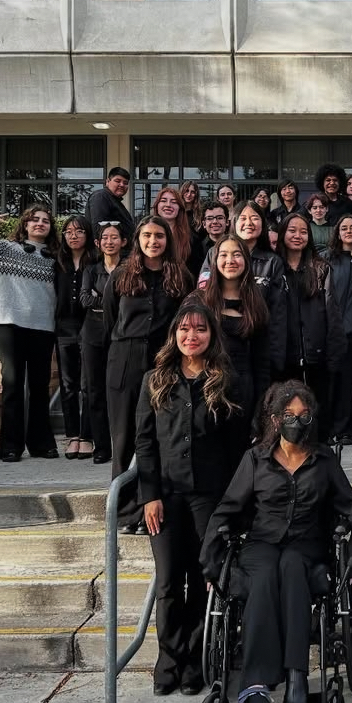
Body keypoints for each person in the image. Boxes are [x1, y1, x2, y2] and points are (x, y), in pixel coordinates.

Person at [203, 381, 352, 703]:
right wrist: (211, 563)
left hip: (307, 544)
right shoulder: (256, 459)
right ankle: (255, 683)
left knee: (292, 568)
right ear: (275, 419)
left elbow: (351, 508)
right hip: (261, 542)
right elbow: (227, 509)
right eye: (289, 415)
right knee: (262, 576)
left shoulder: (323, 462)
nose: (297, 422)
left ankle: (297, 677)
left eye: (304, 416)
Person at [135, 301, 239, 697]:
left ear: (211, 336)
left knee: (200, 580)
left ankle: (196, 661)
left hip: (208, 497)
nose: (191, 337)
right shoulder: (155, 380)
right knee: (166, 583)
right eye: (184, 330)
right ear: (174, 335)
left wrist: (231, 505)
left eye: (199, 330)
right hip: (165, 496)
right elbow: (145, 442)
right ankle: (169, 661)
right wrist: (149, 496)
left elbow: (234, 449)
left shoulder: (225, 380)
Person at [104, 217, 193, 534]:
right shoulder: (121, 274)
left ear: (167, 239)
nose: (153, 241)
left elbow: (185, 321)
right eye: (146, 235)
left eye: (159, 236)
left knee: (158, 437)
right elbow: (110, 320)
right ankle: (126, 512)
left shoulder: (180, 276)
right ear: (137, 239)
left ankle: (151, 509)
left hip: (161, 362)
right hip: (125, 361)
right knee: (125, 436)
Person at [0, 207, 60, 463]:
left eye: (45, 220)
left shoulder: (56, 257)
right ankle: (11, 446)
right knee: (12, 385)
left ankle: (41, 444)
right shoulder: (3, 248)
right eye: (35, 219)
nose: (40, 223)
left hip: (43, 327)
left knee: (40, 387)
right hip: (9, 324)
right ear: (25, 224)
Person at [200, 235, 270, 466]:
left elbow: (262, 362)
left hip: (242, 393)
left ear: (247, 262)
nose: (230, 260)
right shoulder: (199, 301)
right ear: (214, 261)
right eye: (224, 254)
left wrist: (260, 408)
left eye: (237, 254)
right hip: (204, 392)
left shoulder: (256, 303)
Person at [198, 201, 288, 374]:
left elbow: (278, 313)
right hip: (220, 345)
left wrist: (276, 357)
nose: (249, 223)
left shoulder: (273, 261)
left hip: (259, 347)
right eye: (243, 218)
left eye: (255, 218)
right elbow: (204, 294)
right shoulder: (214, 254)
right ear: (233, 223)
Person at [275, 213, 345, 415]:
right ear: (282, 234)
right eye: (292, 230)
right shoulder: (275, 267)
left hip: (317, 355)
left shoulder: (320, 268)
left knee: (317, 410)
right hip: (284, 357)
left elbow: (332, 314)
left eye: (304, 231)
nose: (298, 235)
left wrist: (333, 354)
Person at [80, 219, 127, 465]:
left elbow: (130, 302)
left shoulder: (130, 269)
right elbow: (85, 299)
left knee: (119, 390)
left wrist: (103, 300)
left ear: (124, 242)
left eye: (114, 237)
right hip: (92, 335)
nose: (110, 242)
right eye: (105, 238)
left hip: (120, 334)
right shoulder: (91, 269)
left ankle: (121, 445)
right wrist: (112, 303)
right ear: (98, 243)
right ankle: (101, 446)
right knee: (95, 391)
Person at [55, 215, 94, 460]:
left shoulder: (96, 261)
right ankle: (72, 437)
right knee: (68, 385)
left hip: (91, 327)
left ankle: (88, 436)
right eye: (68, 231)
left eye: (79, 231)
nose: (73, 235)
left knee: (88, 385)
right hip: (64, 329)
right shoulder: (57, 262)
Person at [325, 215, 352, 442]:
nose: (348, 231)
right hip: (331, 331)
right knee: (331, 383)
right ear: (337, 233)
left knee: (350, 383)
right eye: (344, 228)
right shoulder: (327, 259)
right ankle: (330, 429)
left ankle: (347, 428)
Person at [152, 186, 204, 280]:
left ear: (180, 208)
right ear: (157, 205)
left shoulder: (192, 239)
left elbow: (197, 273)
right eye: (163, 200)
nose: (168, 205)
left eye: (174, 202)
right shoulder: (145, 236)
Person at [85, 166, 134, 242]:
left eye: (125, 183)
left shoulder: (116, 202)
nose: (122, 185)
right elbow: (99, 229)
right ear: (107, 182)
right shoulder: (101, 197)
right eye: (117, 181)